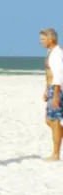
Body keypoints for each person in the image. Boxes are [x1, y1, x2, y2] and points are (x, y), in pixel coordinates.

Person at [39, 28, 63, 161]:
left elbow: (58, 75)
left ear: (51, 39)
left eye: (43, 39)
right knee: (49, 121)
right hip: (51, 89)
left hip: (56, 89)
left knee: (54, 121)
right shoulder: (51, 52)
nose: (40, 42)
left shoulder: (57, 54)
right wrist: (46, 90)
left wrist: (55, 95)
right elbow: (49, 75)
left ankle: (55, 154)